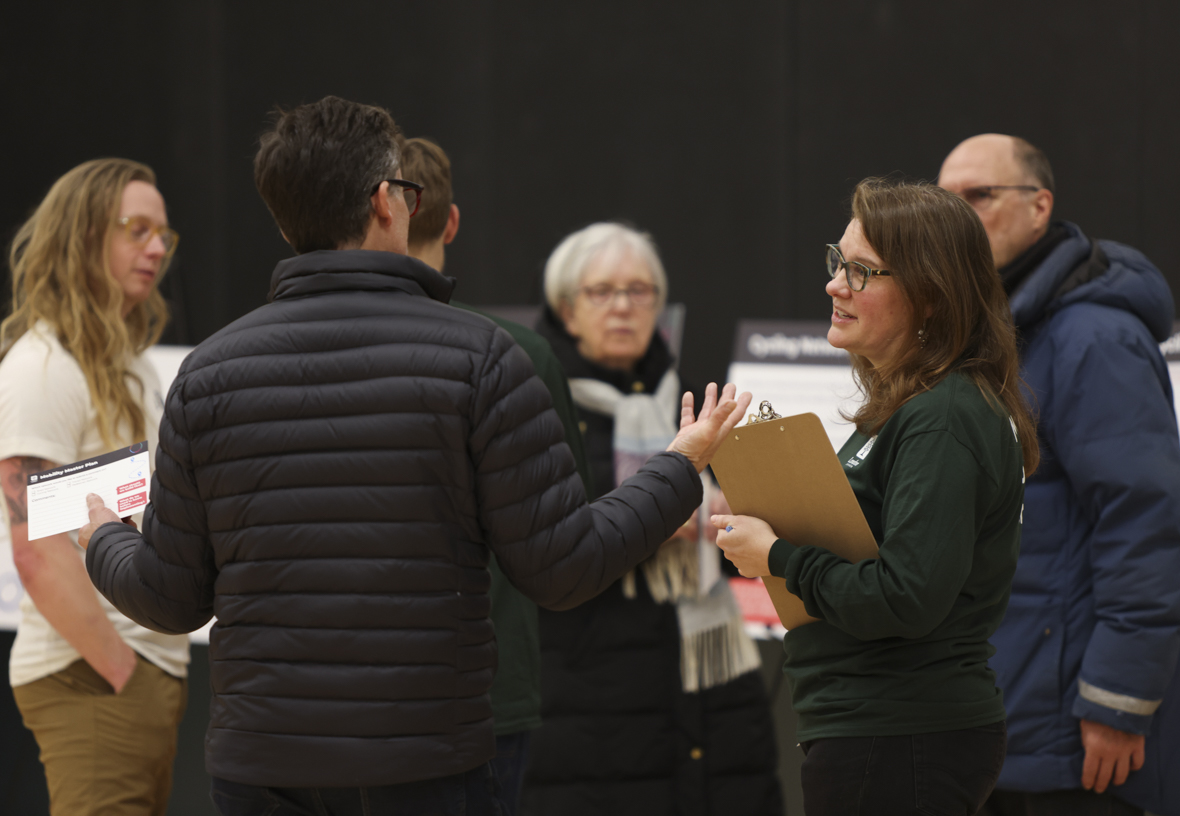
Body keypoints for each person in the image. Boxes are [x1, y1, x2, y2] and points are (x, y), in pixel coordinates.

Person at [74, 96, 750, 816]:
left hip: (262, 764)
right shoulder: (483, 359)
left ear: (285, 222)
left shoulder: (206, 374)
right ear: (385, 204)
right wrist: (679, 467)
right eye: (404, 187)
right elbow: (563, 567)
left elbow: (172, 597)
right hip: (426, 763)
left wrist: (100, 541)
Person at [715, 178, 1039, 816]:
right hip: (877, 730)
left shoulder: (944, 415)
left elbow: (906, 597)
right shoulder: (913, 407)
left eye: (862, 272)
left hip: (901, 735)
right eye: (838, 262)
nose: (836, 285)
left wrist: (778, 557)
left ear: (930, 294)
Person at [938, 133, 1180, 816]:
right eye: (945, 202)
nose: (959, 217)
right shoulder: (994, 338)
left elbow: (1148, 529)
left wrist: (1119, 699)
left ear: (1040, 207)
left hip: (1084, 736)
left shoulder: (1094, 338)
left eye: (980, 196)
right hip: (1012, 714)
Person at [525, 222, 783, 816]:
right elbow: (539, 543)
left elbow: (755, 560)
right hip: (585, 692)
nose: (623, 307)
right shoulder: (536, 406)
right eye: (602, 292)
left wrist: (732, 519)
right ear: (567, 308)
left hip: (708, 686)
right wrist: (651, 513)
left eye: (639, 292)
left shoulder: (697, 404)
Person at [398, 134, 593, 815]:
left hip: (337, 694)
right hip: (487, 681)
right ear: (450, 222)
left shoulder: (293, 351)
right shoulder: (519, 354)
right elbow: (567, 531)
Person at [0, 158, 191, 815]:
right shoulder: (45, 366)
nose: (157, 248)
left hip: (139, 669)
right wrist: (119, 668)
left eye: (163, 233)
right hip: (92, 674)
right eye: (135, 229)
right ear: (83, 236)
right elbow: (36, 548)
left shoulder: (124, 363)